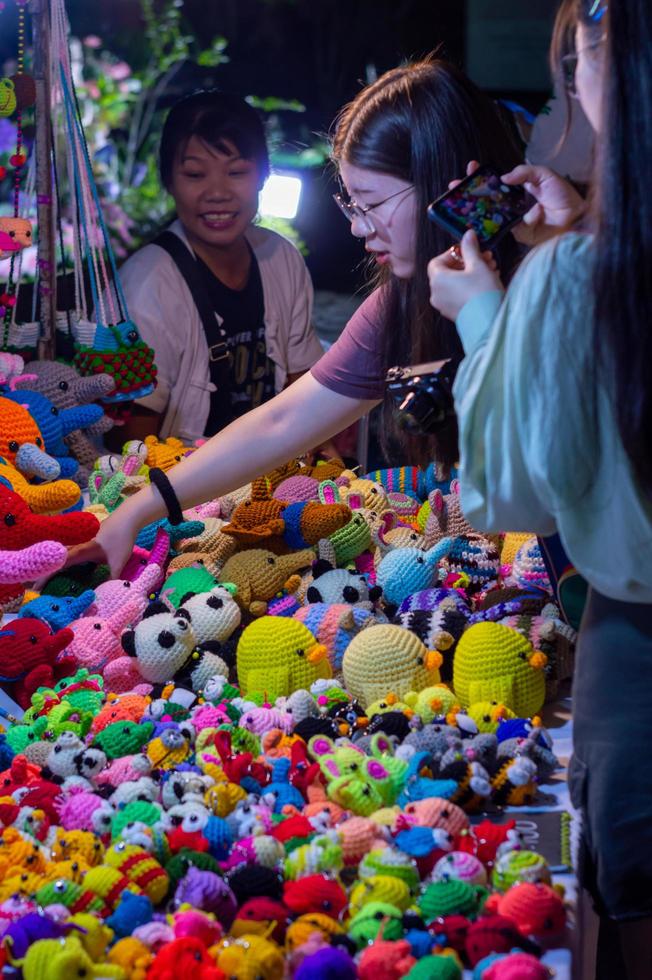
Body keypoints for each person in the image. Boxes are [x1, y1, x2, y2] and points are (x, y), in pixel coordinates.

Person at [68, 56, 522, 572]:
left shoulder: (546, 277)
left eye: (370, 204)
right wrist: (138, 510)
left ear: (448, 186)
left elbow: (523, 484)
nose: (358, 229)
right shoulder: (404, 300)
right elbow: (283, 419)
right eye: (351, 206)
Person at [427, 1, 652, 976]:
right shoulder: (591, 260)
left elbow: (509, 492)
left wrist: (490, 318)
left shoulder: (577, 277)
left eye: (576, 59)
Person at [114, 90, 325, 444]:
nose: (217, 193)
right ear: (169, 181)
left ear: (263, 176)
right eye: (195, 175)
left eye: (236, 171)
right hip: (183, 487)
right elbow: (132, 444)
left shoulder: (282, 258)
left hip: (273, 479)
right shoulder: (145, 286)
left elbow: (301, 386)